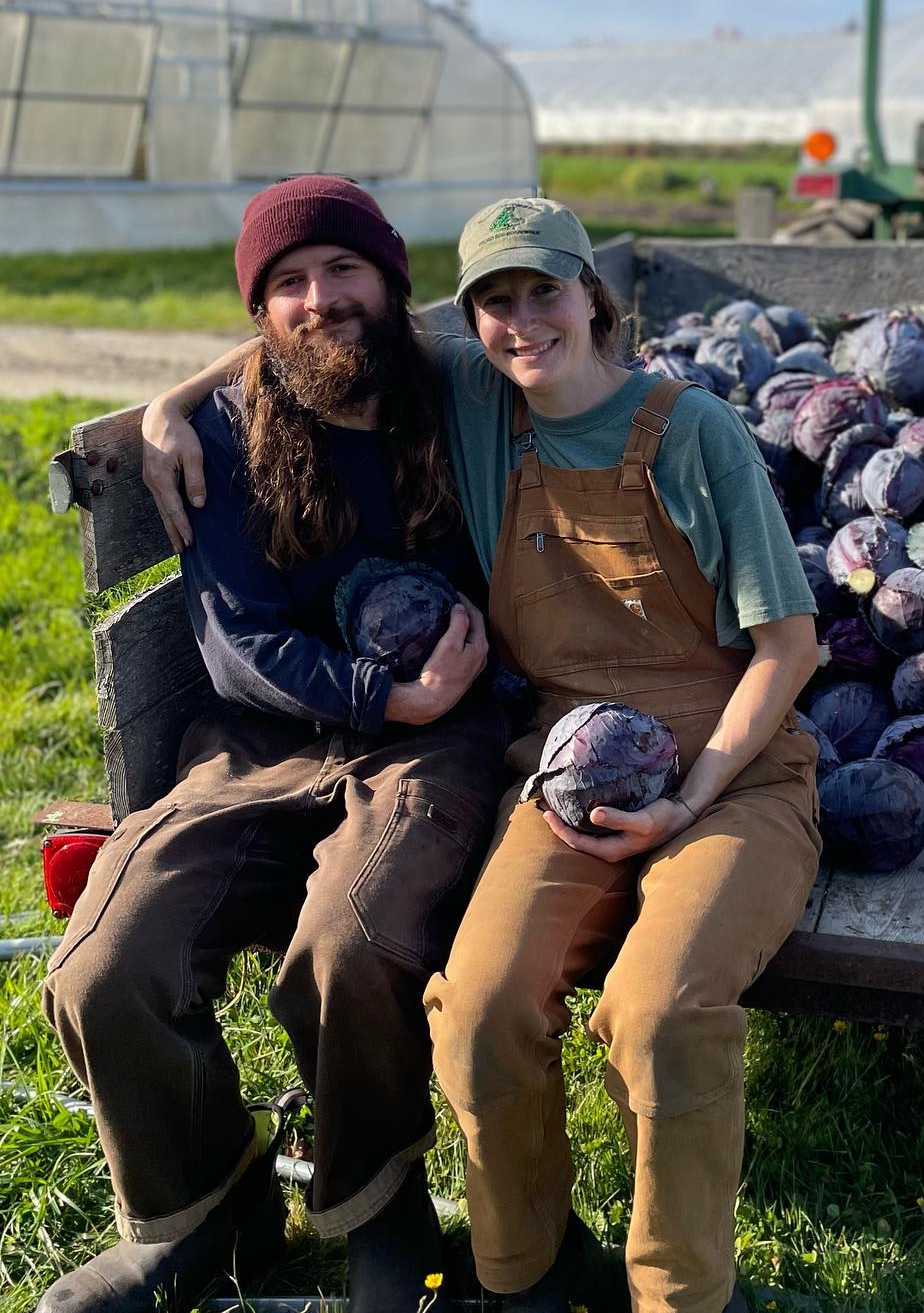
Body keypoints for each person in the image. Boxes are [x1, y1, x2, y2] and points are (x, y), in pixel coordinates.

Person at [142, 195, 823, 1313]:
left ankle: (682, 1292)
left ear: (590, 296)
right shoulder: (478, 399)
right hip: (563, 765)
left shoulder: (694, 431)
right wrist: (171, 403)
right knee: (477, 1005)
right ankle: (528, 1273)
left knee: (659, 1015)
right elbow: (315, 328)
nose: (519, 323)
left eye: (542, 291)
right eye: (494, 302)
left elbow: (788, 648)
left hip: (731, 768)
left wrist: (691, 797)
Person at [41, 176, 508, 1313]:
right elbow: (238, 635)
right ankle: (203, 1202)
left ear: (393, 283)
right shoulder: (224, 434)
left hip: (437, 735)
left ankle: (380, 1206)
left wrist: (420, 705)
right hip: (260, 738)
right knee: (106, 960)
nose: (319, 299)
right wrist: (372, 692)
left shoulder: (457, 395)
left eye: (343, 269)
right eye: (287, 283)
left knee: (350, 948)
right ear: (259, 312)